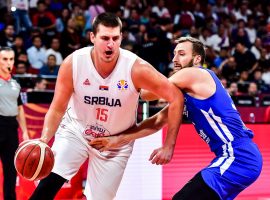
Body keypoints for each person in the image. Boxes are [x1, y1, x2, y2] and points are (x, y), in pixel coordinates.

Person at [29, 12, 183, 200]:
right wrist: (44, 139)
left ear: (121, 38)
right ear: (92, 37)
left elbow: (176, 97)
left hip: (116, 142)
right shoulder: (73, 63)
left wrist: (169, 145)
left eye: (115, 38)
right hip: (76, 130)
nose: (110, 44)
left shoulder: (137, 68)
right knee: (49, 181)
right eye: (104, 38)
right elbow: (57, 108)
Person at [90, 37, 263, 200]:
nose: (175, 58)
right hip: (238, 157)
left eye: (181, 54)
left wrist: (125, 78)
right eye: (174, 54)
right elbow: (156, 122)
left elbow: (149, 94)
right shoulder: (184, 93)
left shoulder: (196, 74)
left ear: (196, 59)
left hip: (238, 157)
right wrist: (118, 140)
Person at [0, 47, 29, 200]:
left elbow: (19, 108)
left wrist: (24, 131)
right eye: (5, 59)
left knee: (11, 171)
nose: (8, 62)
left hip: (11, 128)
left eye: (11, 59)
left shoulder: (15, 83)